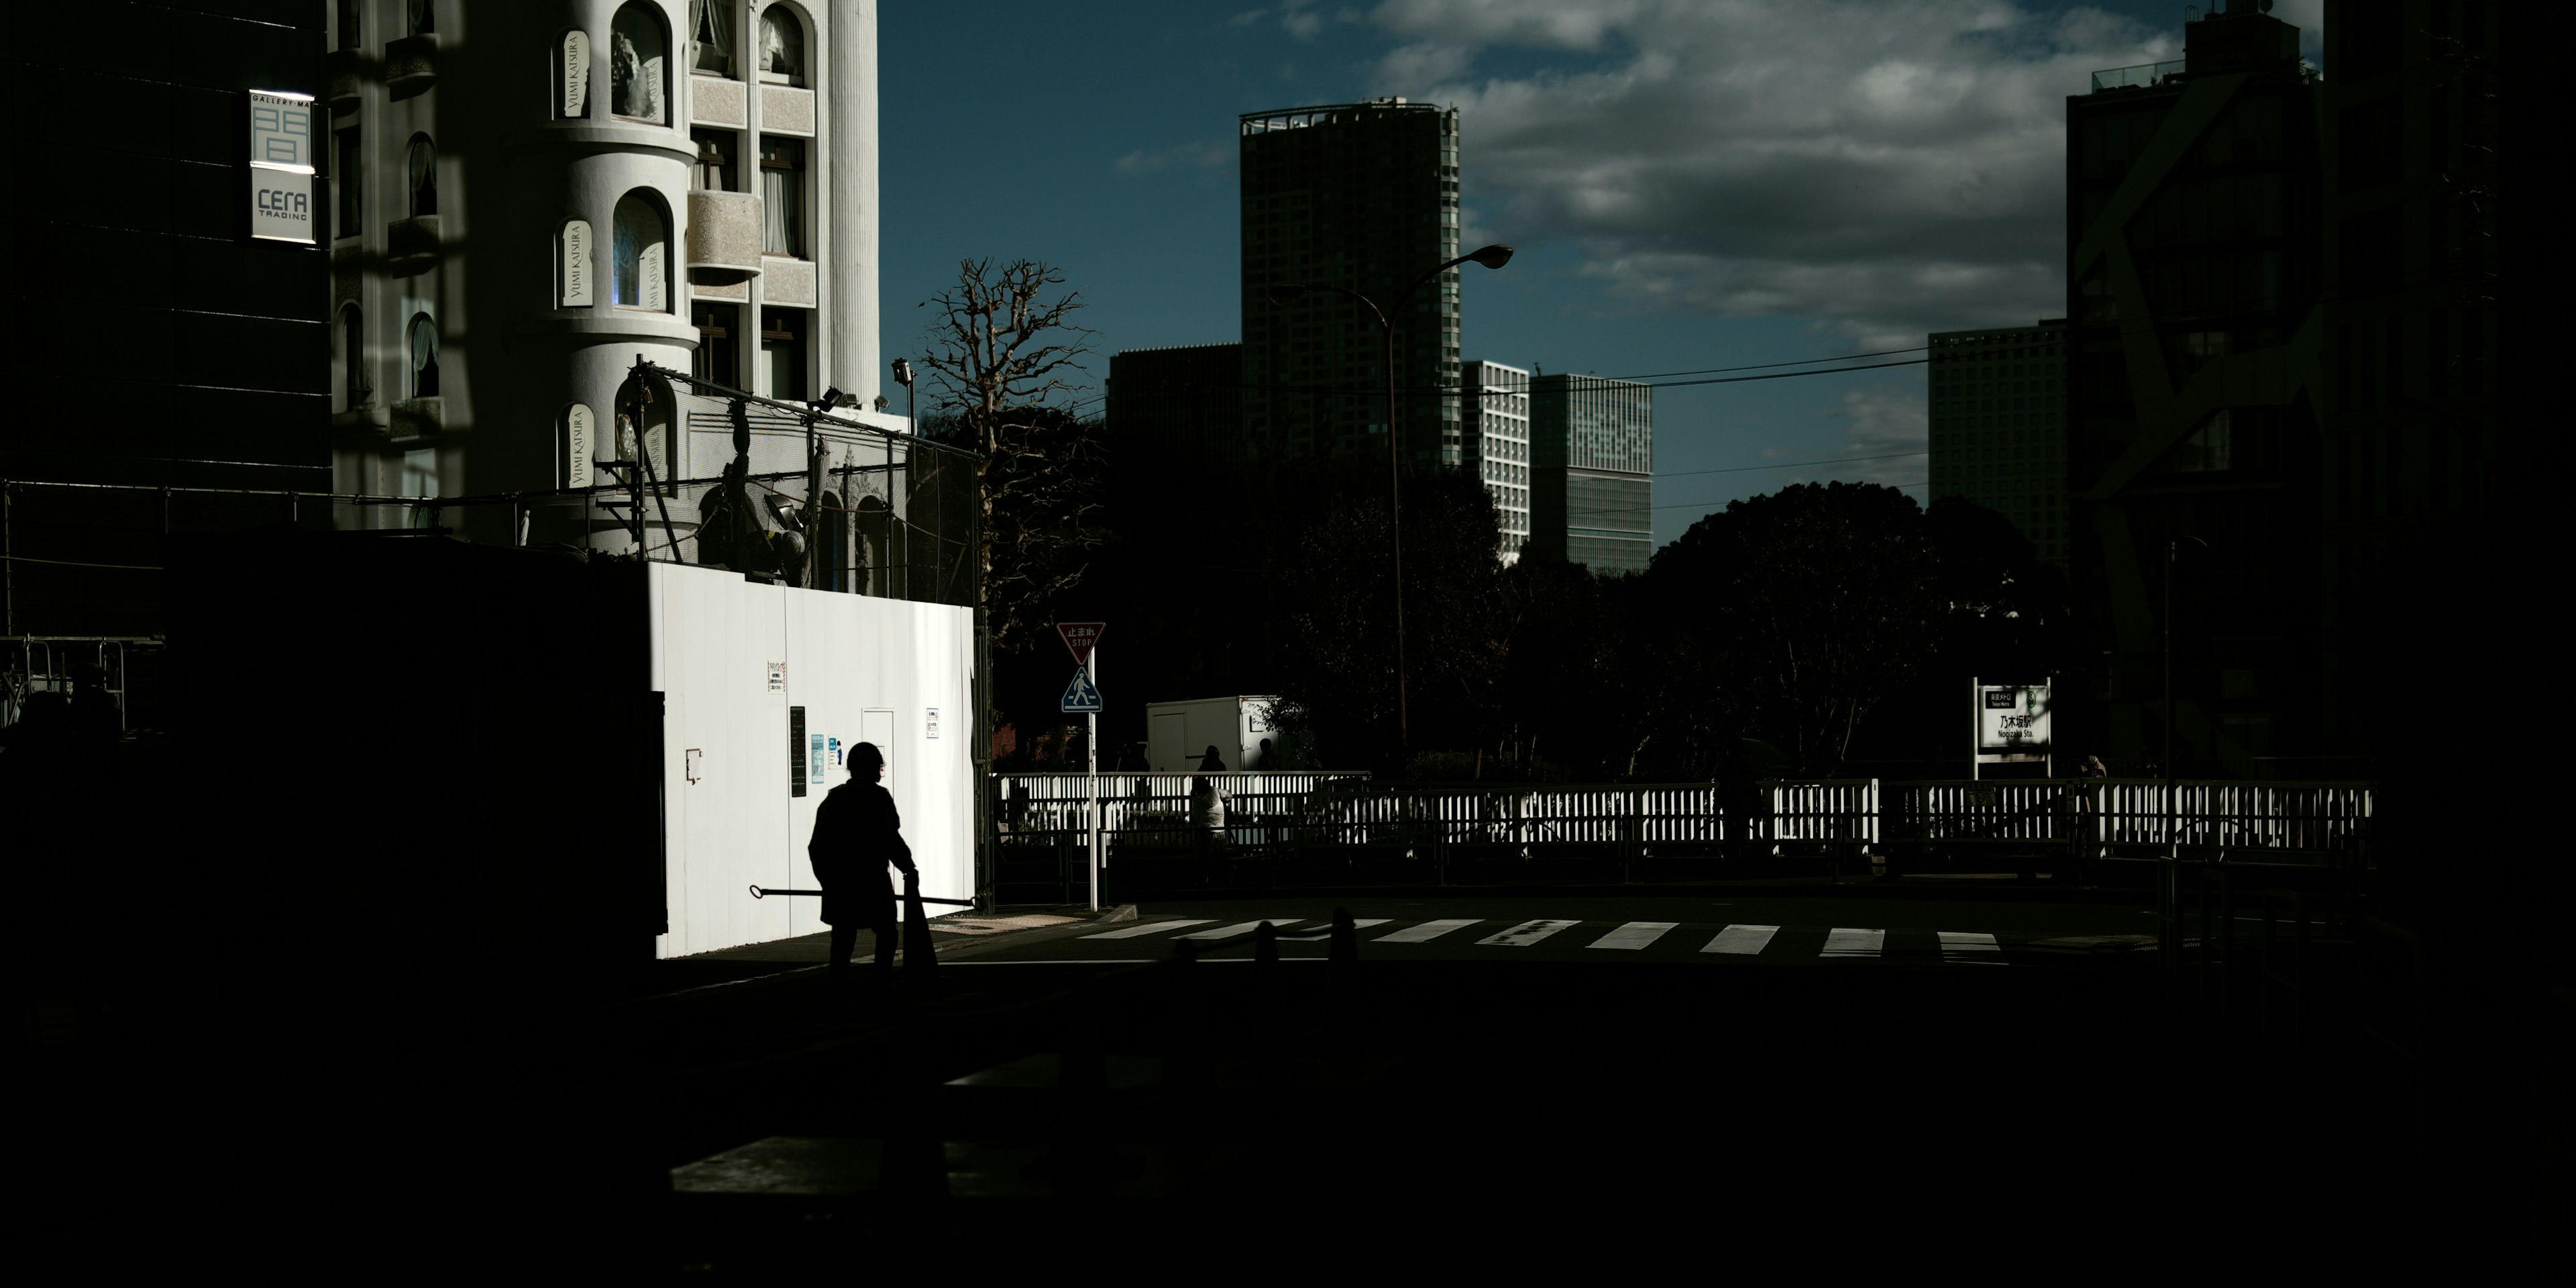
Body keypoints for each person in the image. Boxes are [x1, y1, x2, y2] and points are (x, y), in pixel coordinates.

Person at [806, 741, 914, 973]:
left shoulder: (834, 801)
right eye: (878, 766)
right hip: (873, 880)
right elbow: (891, 840)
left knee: (843, 939)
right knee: (886, 932)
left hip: (842, 883)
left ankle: (839, 985)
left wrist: (828, 880)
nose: (880, 771)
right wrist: (908, 868)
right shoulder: (879, 799)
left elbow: (817, 847)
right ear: (869, 768)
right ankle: (880, 980)